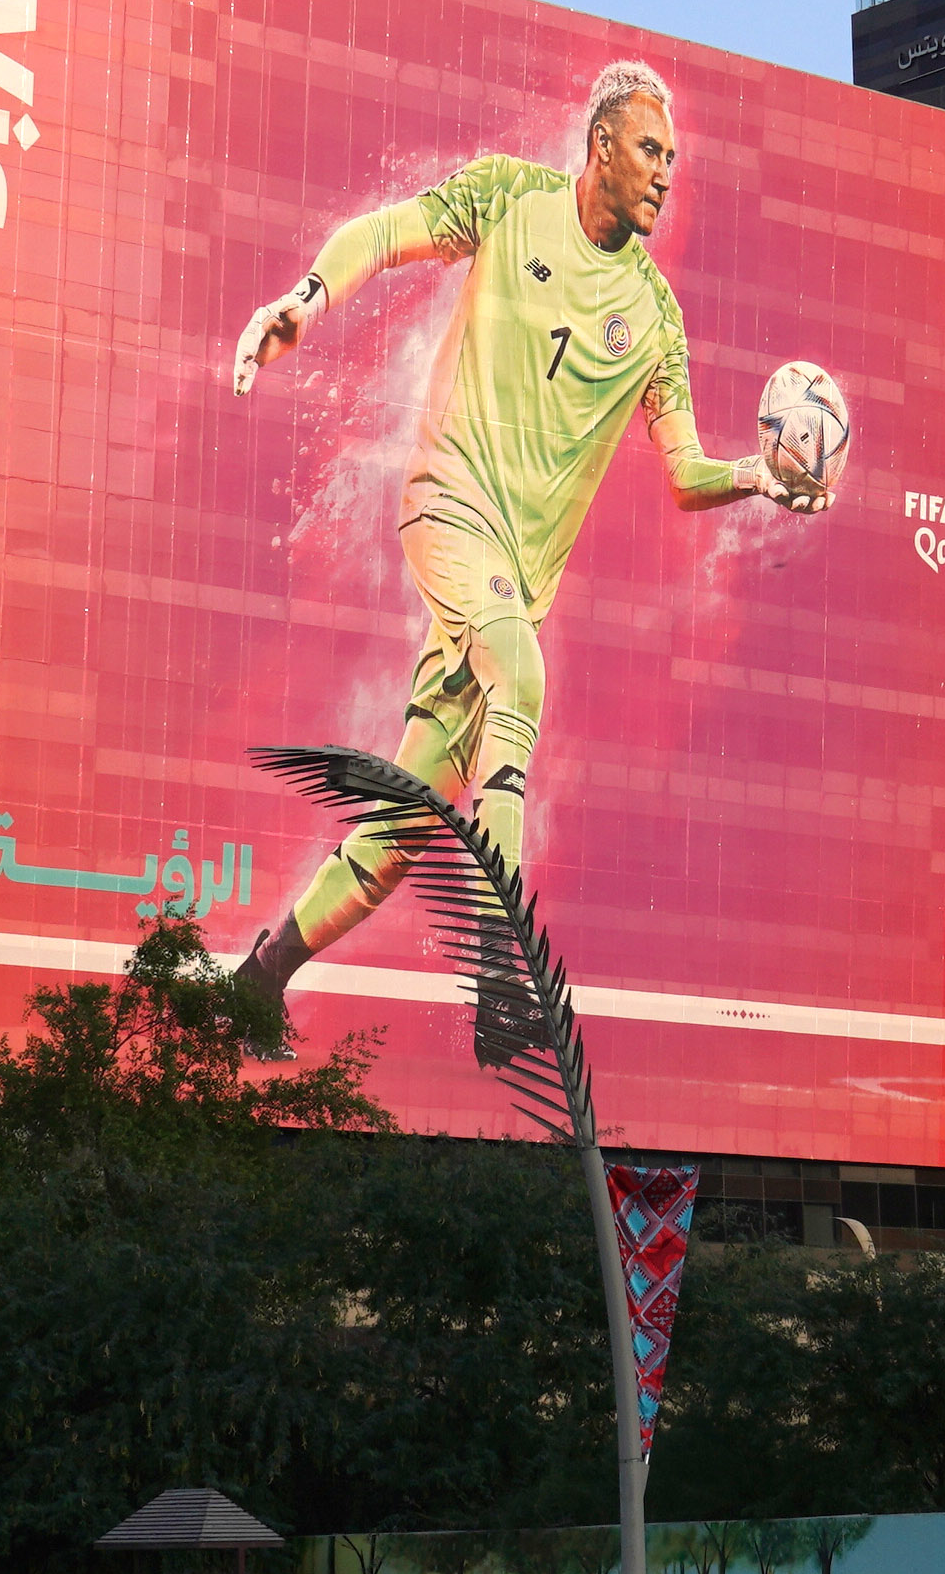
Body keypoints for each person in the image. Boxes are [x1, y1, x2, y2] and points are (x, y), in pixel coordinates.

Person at [222, 61, 826, 1038]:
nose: (666, 173)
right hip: (447, 507)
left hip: (514, 578)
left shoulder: (657, 322)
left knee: (397, 832)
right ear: (599, 147)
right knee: (523, 676)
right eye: (648, 150)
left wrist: (756, 476)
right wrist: (305, 297)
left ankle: (264, 968)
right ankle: (504, 969)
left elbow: (684, 472)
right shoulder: (508, 198)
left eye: (673, 157)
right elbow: (385, 231)